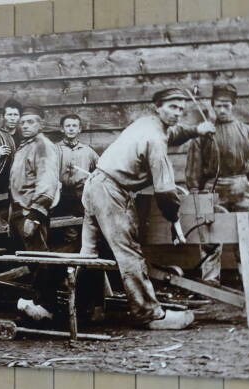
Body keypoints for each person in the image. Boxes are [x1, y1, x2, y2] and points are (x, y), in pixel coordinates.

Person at [80, 87, 215, 330]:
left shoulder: (147, 123)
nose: (177, 113)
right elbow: (166, 192)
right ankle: (150, 314)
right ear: (158, 107)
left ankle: (86, 310)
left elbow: (175, 132)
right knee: (129, 253)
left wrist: (197, 130)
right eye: (172, 107)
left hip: (94, 184)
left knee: (90, 253)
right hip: (111, 192)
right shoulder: (155, 140)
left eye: (181, 109)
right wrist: (174, 220)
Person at [185, 83, 249, 284]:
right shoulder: (204, 134)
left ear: (233, 106)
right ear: (212, 106)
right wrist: (196, 190)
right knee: (210, 237)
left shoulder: (246, 131)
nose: (222, 110)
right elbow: (194, 166)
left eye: (226, 106)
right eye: (218, 106)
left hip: (241, 188)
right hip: (213, 189)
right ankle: (211, 280)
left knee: (245, 236)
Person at [8, 105, 61, 319]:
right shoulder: (24, 146)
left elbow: (47, 182)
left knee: (39, 260)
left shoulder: (43, 146)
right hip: (19, 211)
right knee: (28, 263)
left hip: (31, 212)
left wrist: (35, 216)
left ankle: (46, 308)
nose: (25, 126)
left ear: (41, 124)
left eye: (30, 122)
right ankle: (30, 309)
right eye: (22, 122)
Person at [51, 113, 98, 252]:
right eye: (68, 126)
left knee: (85, 231)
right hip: (61, 198)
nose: (71, 129)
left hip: (81, 197)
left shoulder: (87, 151)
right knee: (66, 233)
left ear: (79, 129)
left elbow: (100, 170)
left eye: (74, 126)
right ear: (62, 129)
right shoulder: (54, 149)